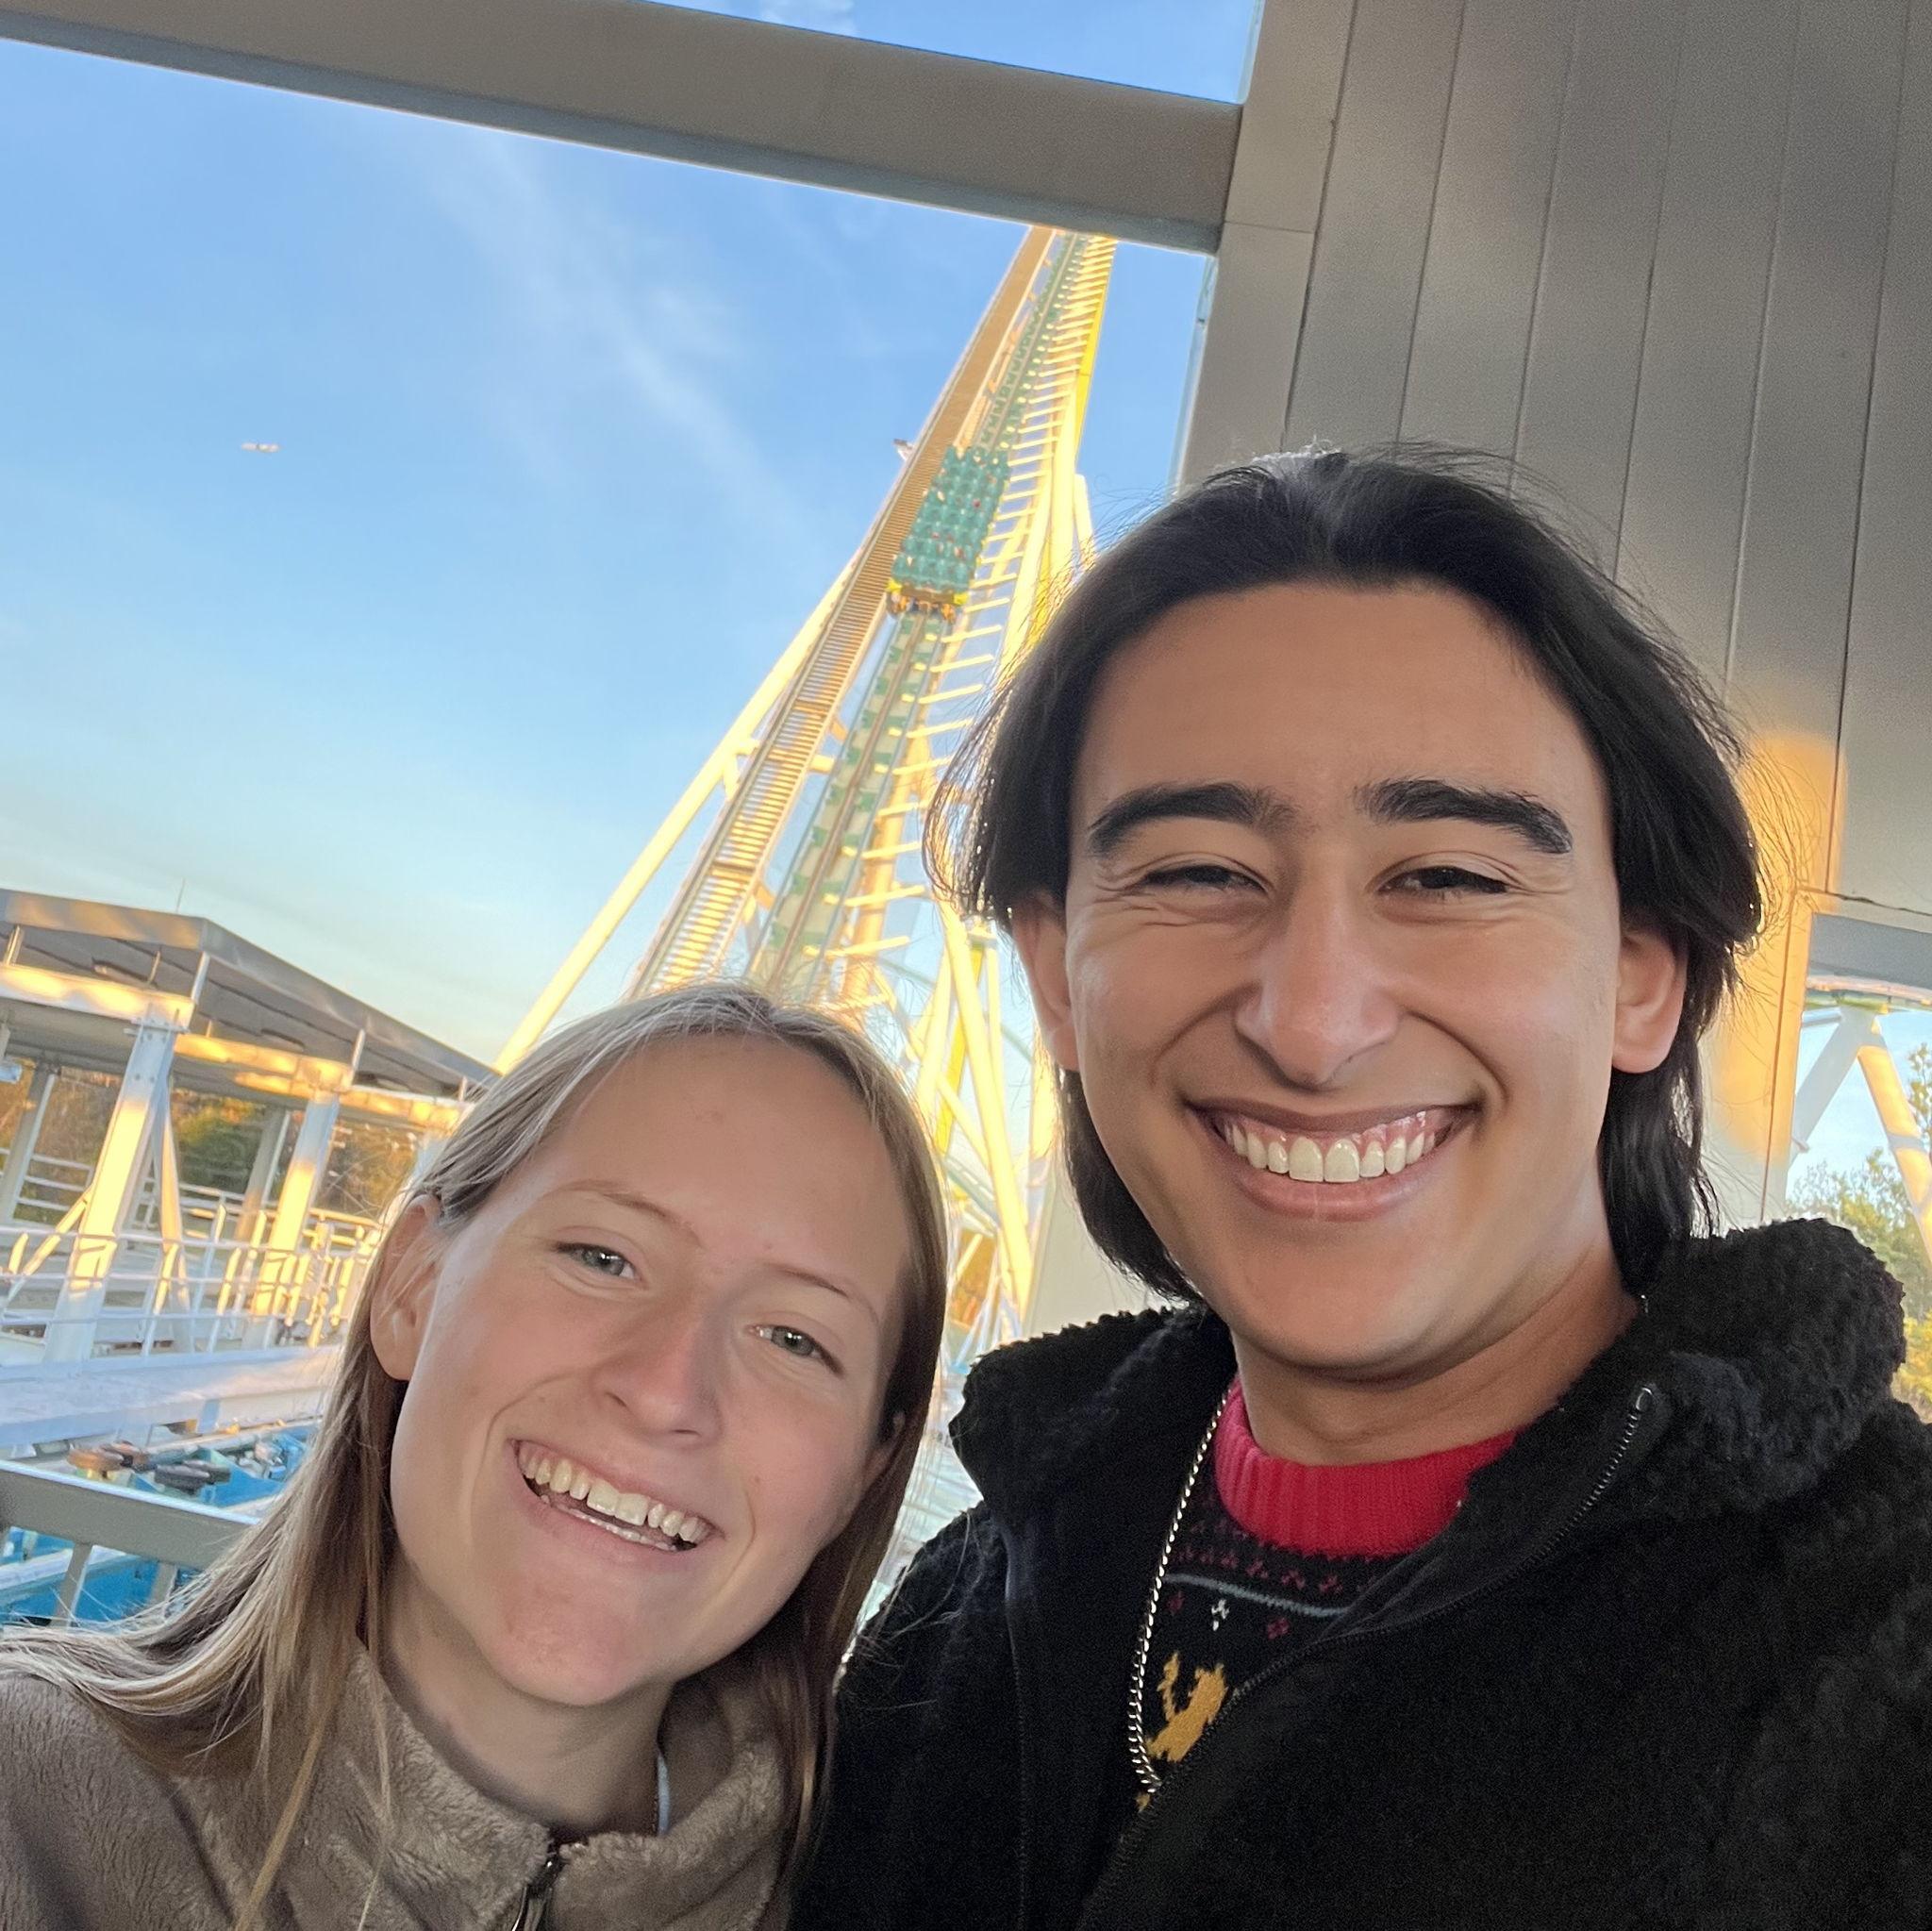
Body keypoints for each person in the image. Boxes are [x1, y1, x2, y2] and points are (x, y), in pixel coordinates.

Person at [795, 448, 1932, 1930]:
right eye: (1199, 871)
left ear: (1644, 978)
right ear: (1055, 978)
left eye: (1448, 877)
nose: (1312, 1019)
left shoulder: (1878, 1665)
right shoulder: (966, 1614)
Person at [0, 984, 947, 1931]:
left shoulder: (892, 1896)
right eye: (601, 1256)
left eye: (794, 1339)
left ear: (859, 1477)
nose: (666, 1392)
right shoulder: (31, 1819)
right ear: (412, 1286)